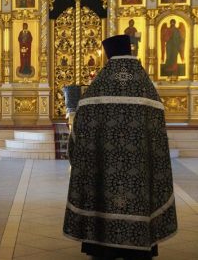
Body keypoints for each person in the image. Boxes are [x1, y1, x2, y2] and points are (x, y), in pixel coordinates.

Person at [63, 35, 178, 260]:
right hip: (139, 178)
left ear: (109, 54)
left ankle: (104, 248)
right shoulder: (144, 87)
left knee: (102, 213)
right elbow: (157, 133)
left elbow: (81, 126)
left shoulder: (99, 87)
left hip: (104, 175)